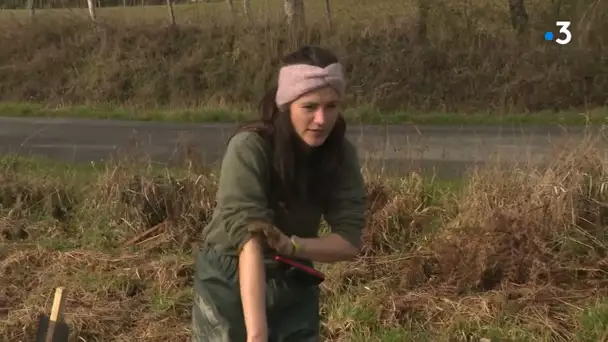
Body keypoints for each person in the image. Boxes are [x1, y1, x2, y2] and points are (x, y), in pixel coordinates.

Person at [191, 45, 367, 342]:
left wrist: (292, 247)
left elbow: (349, 242)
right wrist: (256, 334)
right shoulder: (250, 147)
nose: (322, 119)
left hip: (293, 275)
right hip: (232, 275)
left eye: (332, 106)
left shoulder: (340, 154)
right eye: (310, 107)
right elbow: (250, 240)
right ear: (286, 105)